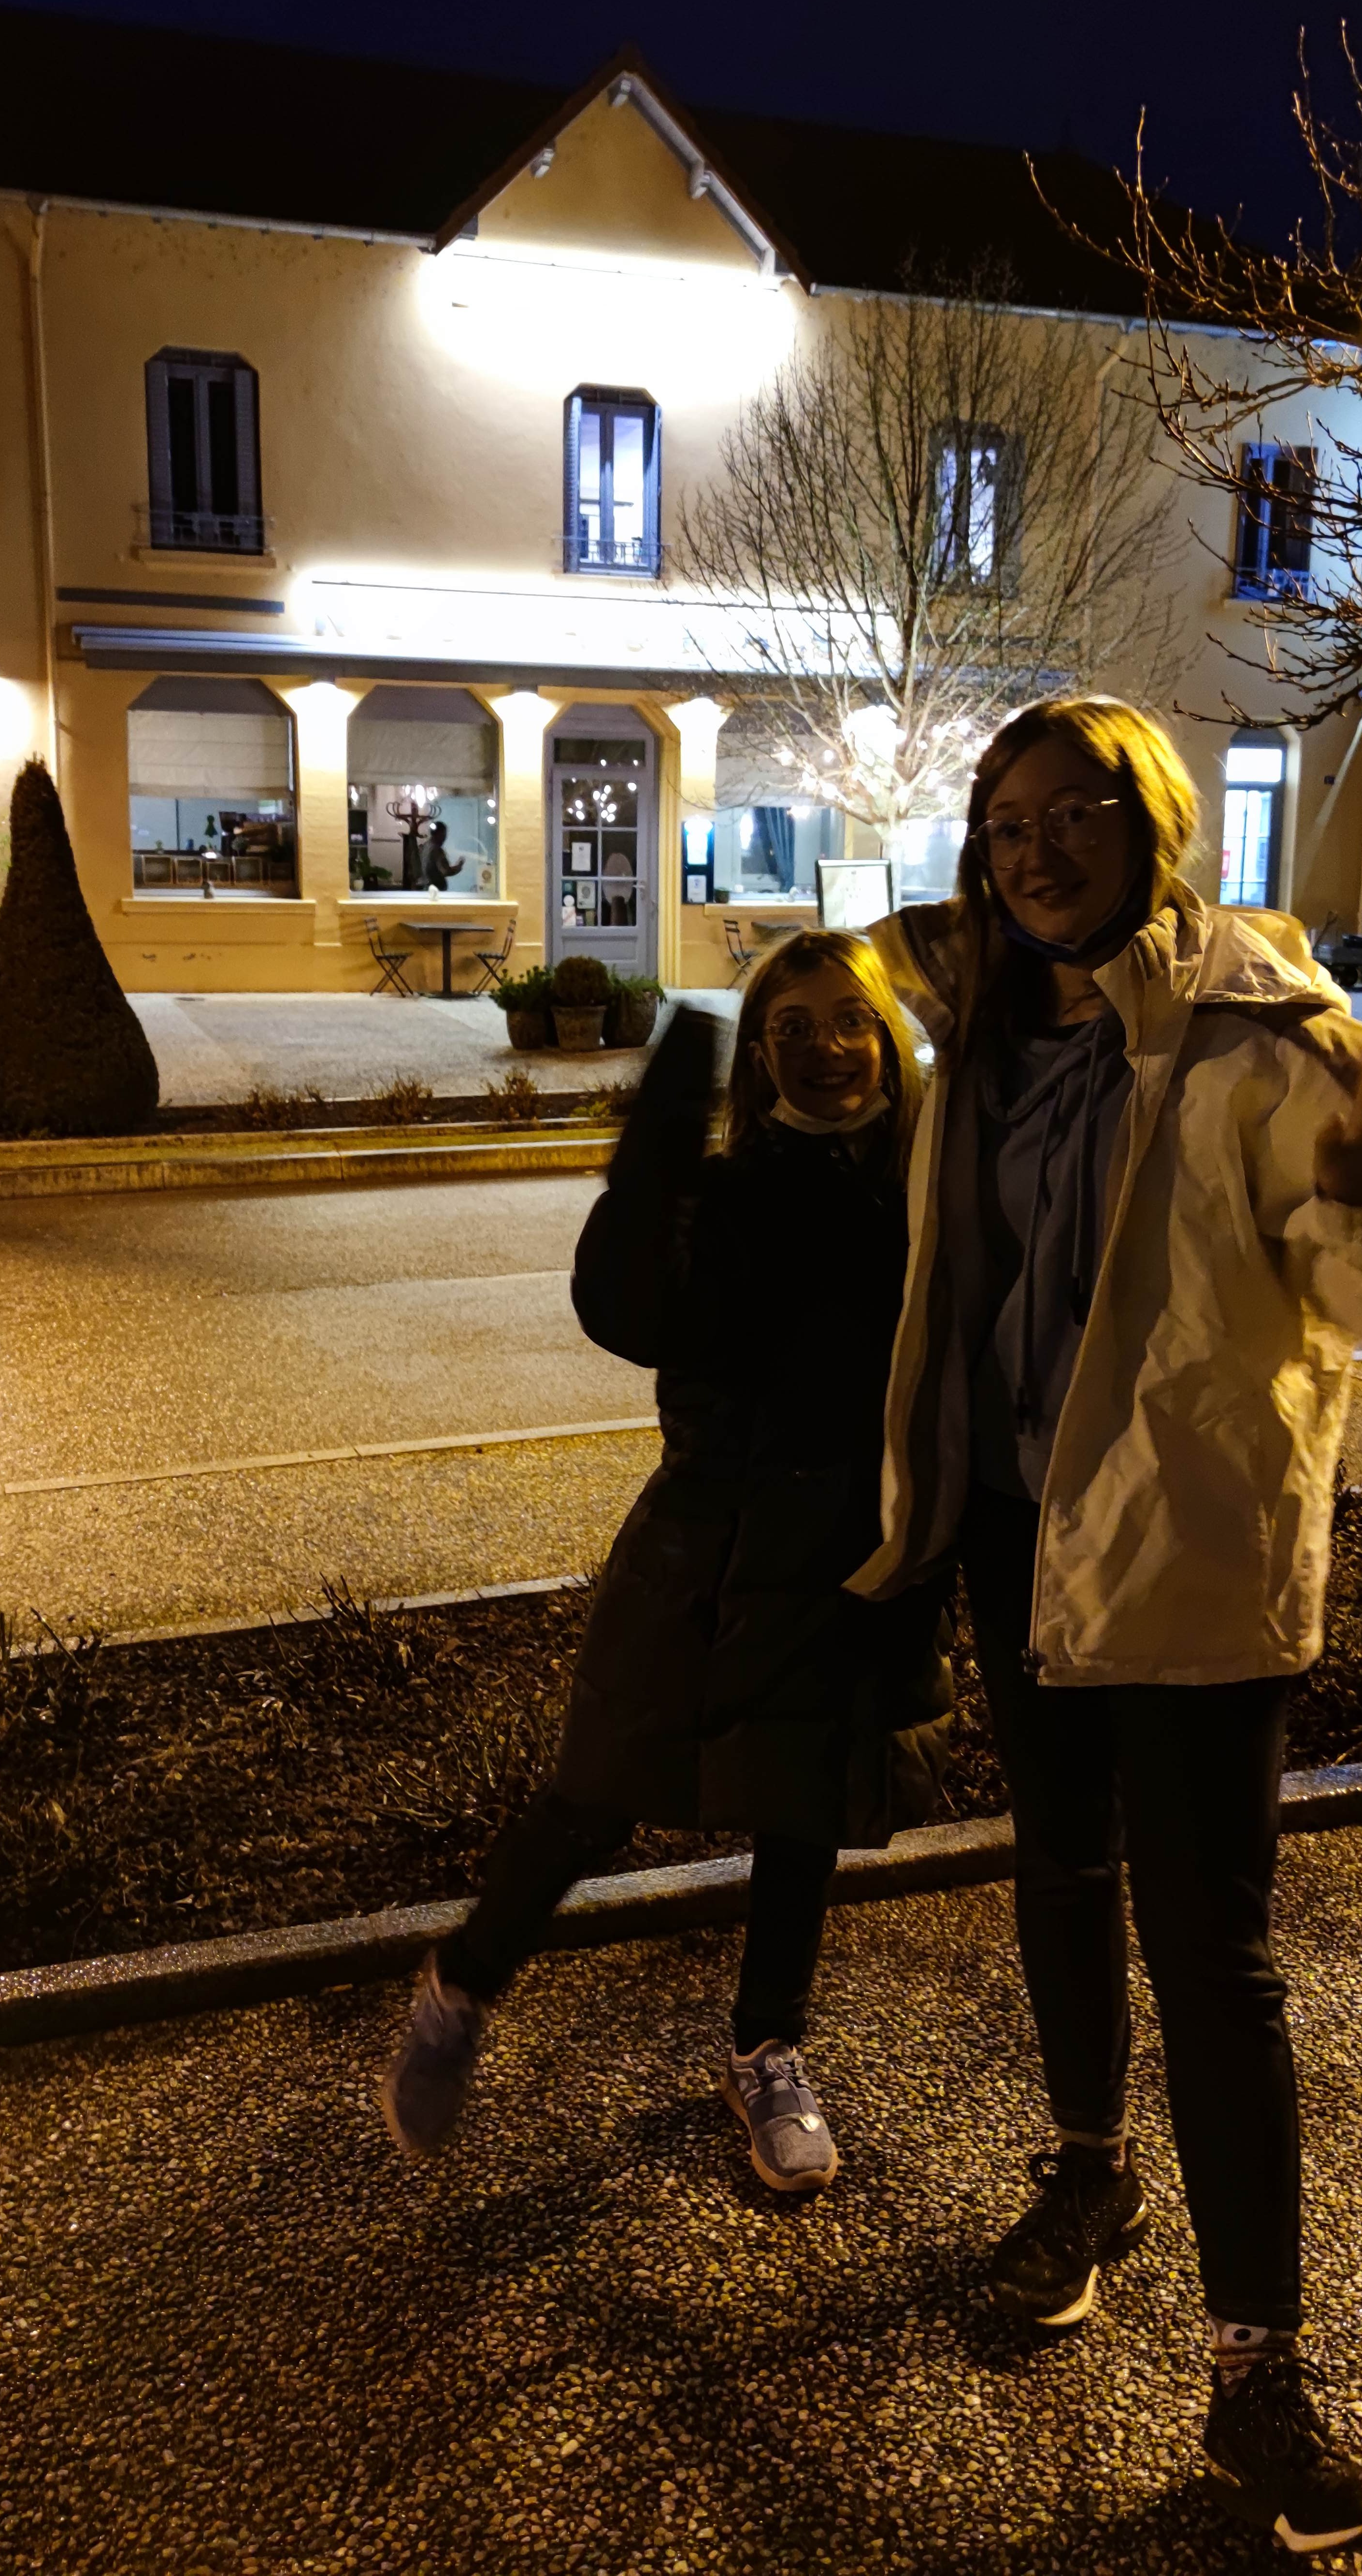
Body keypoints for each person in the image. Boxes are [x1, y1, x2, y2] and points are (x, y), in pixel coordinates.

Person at [857, 697, 1362, 2556]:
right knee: (1058, 1872)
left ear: (1154, 830)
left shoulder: (1266, 1043)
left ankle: (1257, 2373)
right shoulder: (980, 1032)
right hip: (1018, 1535)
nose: (1036, 849)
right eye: (1007, 822)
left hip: (1195, 1554)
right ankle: (1088, 2181)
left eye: (1077, 814)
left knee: (1213, 1958)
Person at [380, 936, 952, 2192]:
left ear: (888, 1040)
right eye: (789, 1027)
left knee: (801, 1810)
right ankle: (462, 1986)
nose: (825, 1048)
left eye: (849, 1020)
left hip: (852, 1551)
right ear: (760, 1058)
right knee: (597, 1790)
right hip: (710, 1546)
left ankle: (768, 2050)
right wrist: (657, 1141)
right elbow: (629, 1312)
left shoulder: (926, 1188)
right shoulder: (728, 1192)